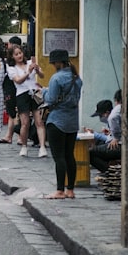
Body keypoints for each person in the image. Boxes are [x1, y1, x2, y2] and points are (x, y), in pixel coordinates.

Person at [42, 49, 84, 199]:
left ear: (58, 62)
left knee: (58, 157)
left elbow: (51, 99)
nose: (53, 65)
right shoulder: (77, 78)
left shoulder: (56, 78)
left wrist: (44, 91)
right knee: (69, 156)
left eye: (53, 63)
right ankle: (70, 190)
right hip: (72, 121)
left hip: (57, 121)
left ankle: (60, 190)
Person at [6, 44, 47, 158]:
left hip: (34, 93)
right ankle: (24, 145)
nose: (19, 56)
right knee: (25, 123)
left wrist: (37, 70)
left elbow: (42, 76)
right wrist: (28, 72)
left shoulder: (29, 63)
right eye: (16, 54)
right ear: (12, 56)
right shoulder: (11, 68)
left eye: (20, 53)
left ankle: (42, 147)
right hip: (22, 94)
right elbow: (18, 81)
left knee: (39, 121)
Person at [89, 91, 123, 173]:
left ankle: (109, 172)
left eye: (101, 115)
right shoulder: (122, 110)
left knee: (89, 153)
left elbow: (113, 119)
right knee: (98, 144)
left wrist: (116, 137)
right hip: (119, 142)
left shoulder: (115, 113)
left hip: (120, 145)